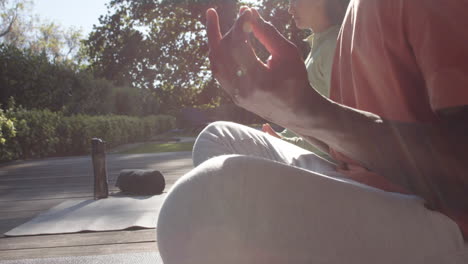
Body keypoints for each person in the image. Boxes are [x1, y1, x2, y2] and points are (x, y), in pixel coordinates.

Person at [157, 0, 468, 263]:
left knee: (199, 204)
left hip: (444, 219)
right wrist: (288, 112)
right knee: (220, 138)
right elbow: (354, 140)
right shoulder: (354, 13)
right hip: (367, 179)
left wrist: (311, 111)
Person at [262, 0, 347, 153]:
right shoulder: (319, 46)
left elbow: (343, 128)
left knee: (218, 133)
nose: (290, 9)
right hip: (297, 151)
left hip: (318, 162)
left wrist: (286, 143)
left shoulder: (334, 45)